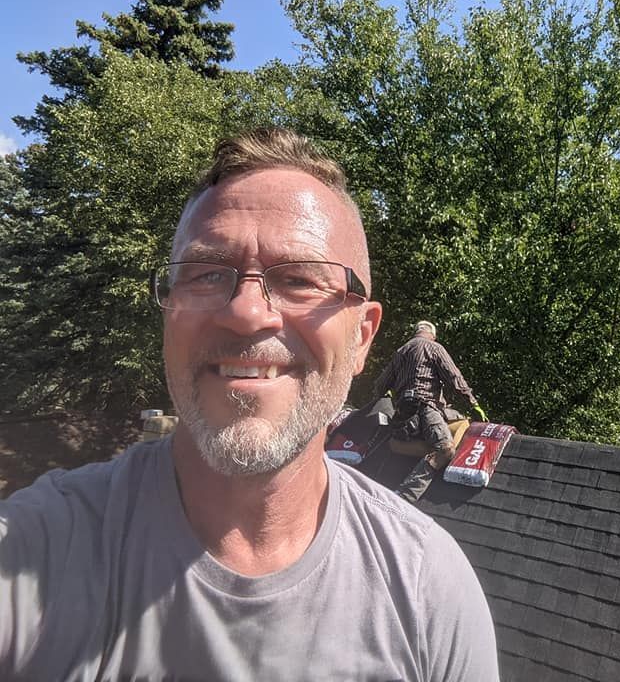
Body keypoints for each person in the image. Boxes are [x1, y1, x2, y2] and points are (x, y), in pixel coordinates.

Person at [0, 128, 499, 681]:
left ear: (361, 337)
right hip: (421, 410)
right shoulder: (34, 549)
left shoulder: (429, 589)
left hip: (402, 412)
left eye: (300, 279)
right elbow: (449, 378)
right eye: (207, 274)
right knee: (438, 448)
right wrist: (468, 401)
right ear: (168, 312)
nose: (246, 313)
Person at [371, 320, 487, 502]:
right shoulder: (434, 347)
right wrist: (473, 403)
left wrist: (385, 395)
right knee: (445, 449)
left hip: (402, 416)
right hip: (425, 408)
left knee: (403, 445)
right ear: (433, 335)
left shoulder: (401, 351)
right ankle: (404, 495)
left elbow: (380, 385)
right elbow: (454, 378)